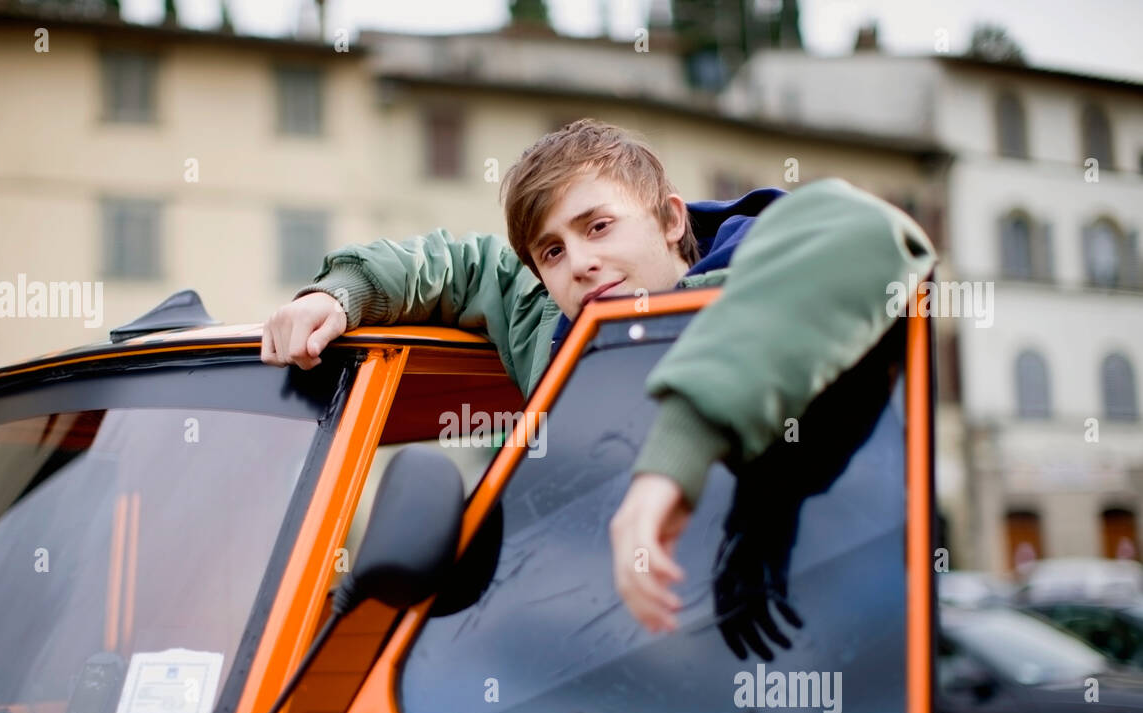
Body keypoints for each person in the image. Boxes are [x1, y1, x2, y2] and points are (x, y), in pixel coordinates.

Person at [261, 119, 936, 647]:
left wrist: (666, 469)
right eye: (552, 250)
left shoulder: (768, 271)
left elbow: (872, 232)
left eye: (599, 226)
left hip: (815, 656)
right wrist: (339, 296)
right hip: (604, 674)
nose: (580, 263)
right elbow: (458, 265)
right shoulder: (547, 318)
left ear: (671, 220)